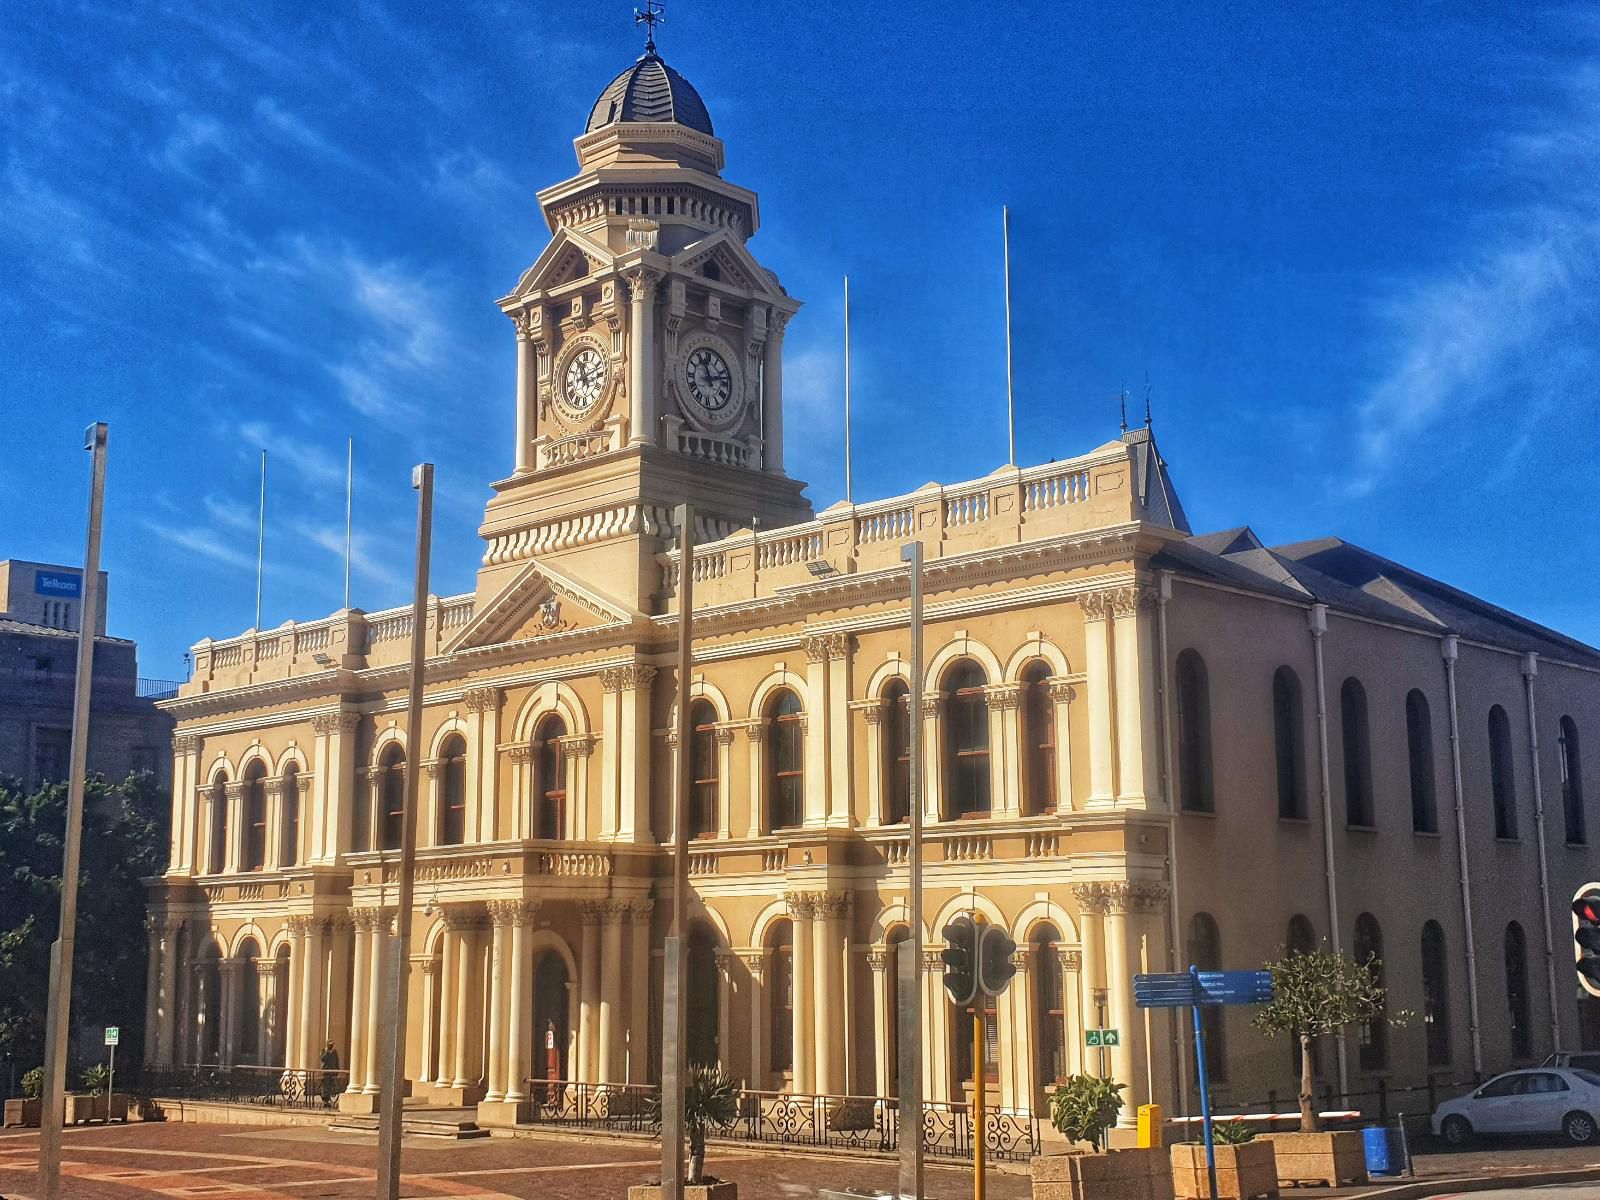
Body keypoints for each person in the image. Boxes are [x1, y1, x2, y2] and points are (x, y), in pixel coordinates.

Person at [318, 1042, 340, 1106]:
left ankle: (329, 1100)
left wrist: (337, 1070)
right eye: (330, 1044)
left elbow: (337, 1061)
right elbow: (322, 1059)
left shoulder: (335, 1052)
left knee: (332, 1087)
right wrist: (327, 1052)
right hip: (326, 1072)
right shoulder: (323, 1051)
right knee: (325, 1087)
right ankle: (325, 1101)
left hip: (333, 1072)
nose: (332, 1046)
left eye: (332, 1044)